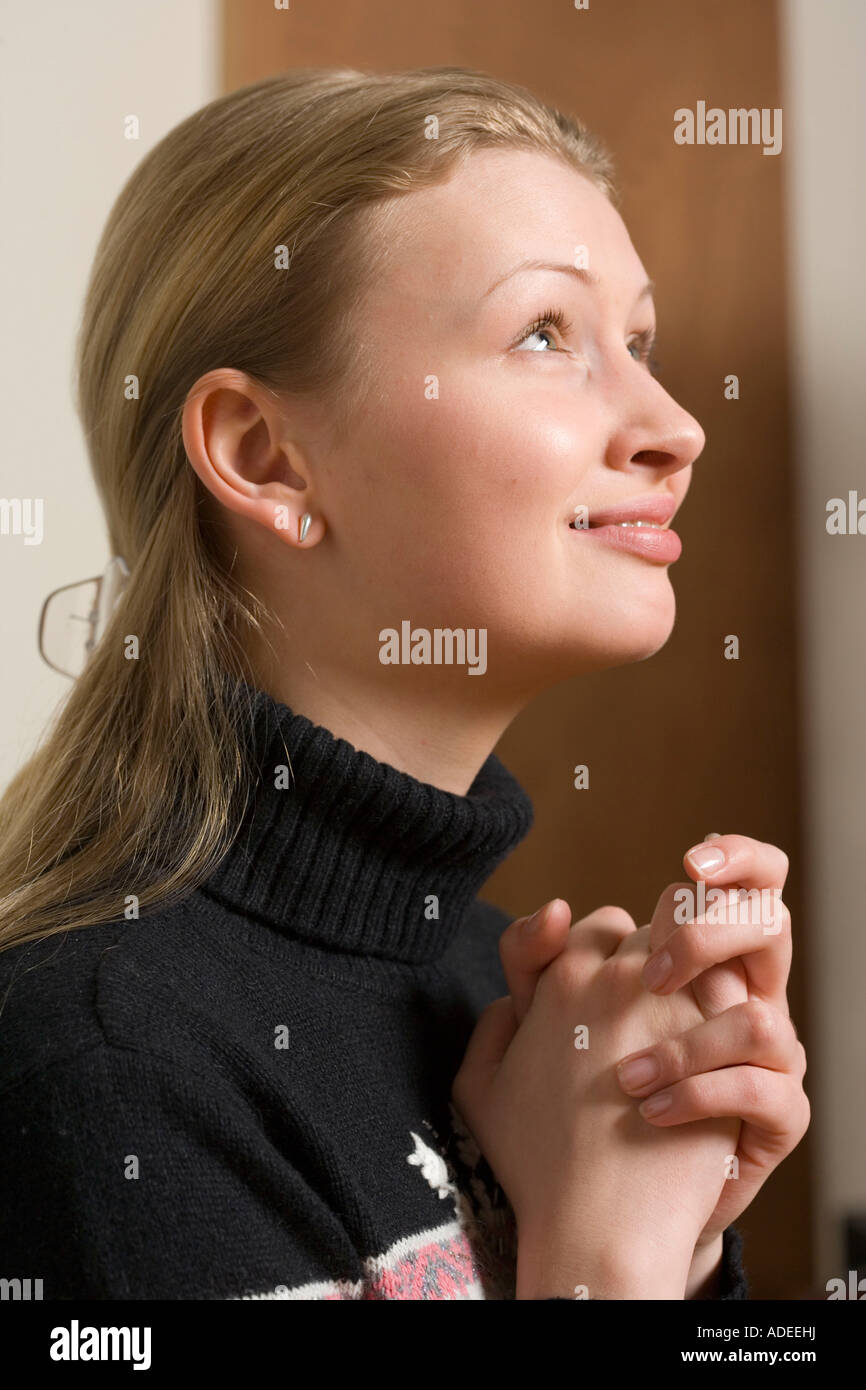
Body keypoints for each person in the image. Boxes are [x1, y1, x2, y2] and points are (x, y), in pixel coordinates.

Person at [0, 65, 808, 1300]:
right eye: (545, 333)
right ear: (263, 455)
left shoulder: (524, 1022)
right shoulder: (99, 1064)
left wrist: (678, 1222)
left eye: (637, 342)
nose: (672, 426)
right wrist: (608, 1262)